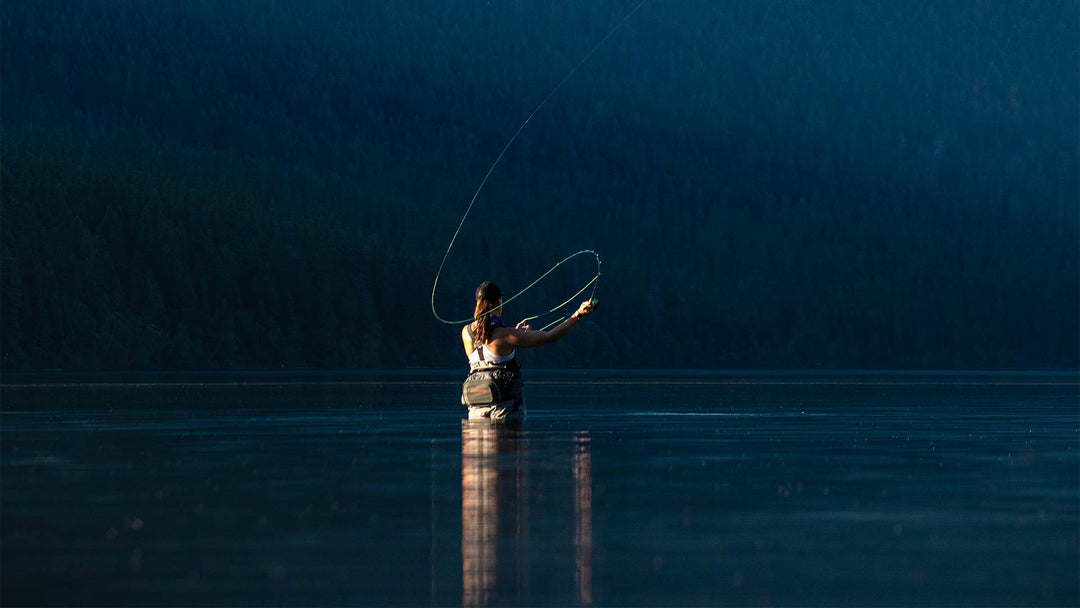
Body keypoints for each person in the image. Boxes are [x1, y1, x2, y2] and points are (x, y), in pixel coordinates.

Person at [461, 282, 596, 420]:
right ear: (498, 302)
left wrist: (515, 333)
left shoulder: (466, 332)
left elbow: (488, 341)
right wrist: (578, 314)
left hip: (475, 409)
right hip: (503, 410)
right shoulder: (506, 335)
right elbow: (551, 336)